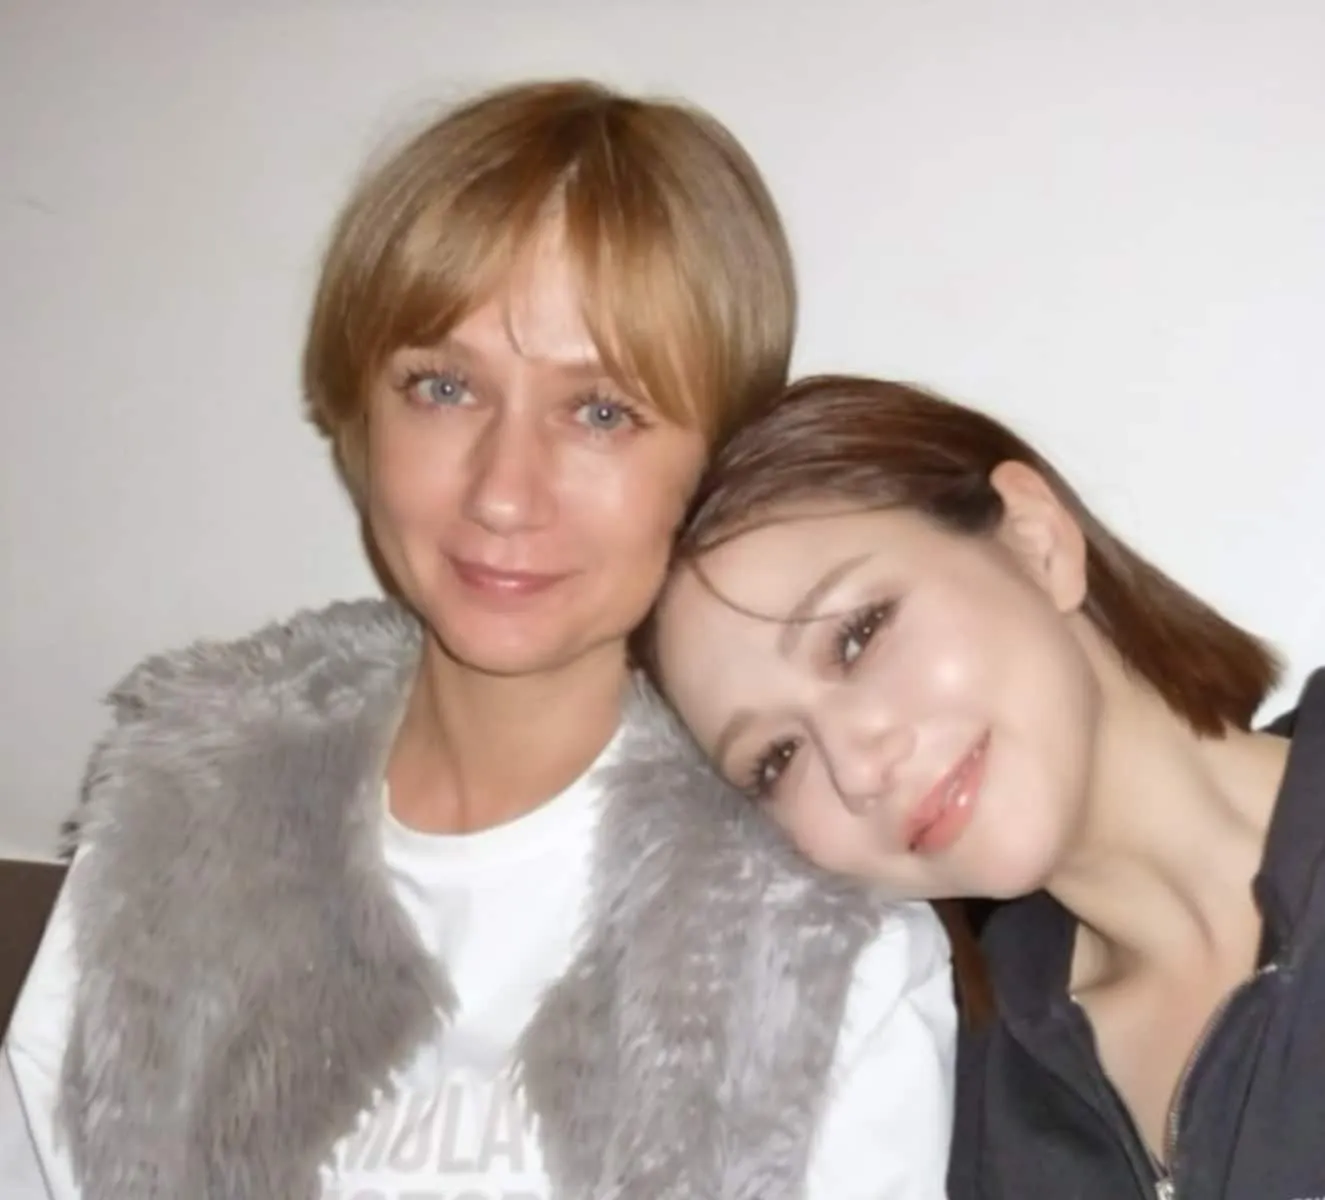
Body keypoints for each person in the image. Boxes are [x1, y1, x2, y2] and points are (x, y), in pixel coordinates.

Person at [0, 87, 956, 1199]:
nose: (504, 492)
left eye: (602, 411)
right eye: (444, 388)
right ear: (361, 417)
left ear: (718, 463)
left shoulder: (824, 946)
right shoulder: (168, 833)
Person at [642, 373, 1325, 1200]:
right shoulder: (954, 1097)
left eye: (858, 634)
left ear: (1035, 541)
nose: (858, 766)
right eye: (775, 760)